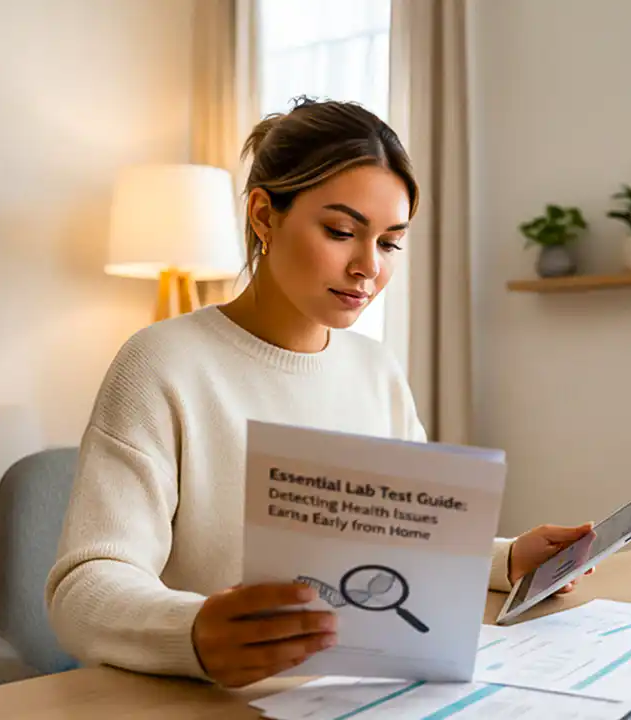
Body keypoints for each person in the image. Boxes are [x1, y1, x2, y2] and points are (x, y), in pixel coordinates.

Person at [44, 97, 594, 689]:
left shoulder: (374, 369)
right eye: (340, 231)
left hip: (351, 695)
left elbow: (394, 547)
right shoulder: (162, 364)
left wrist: (506, 560)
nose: (367, 267)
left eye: (389, 243)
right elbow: (83, 587)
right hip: (212, 699)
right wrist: (195, 631)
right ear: (263, 215)